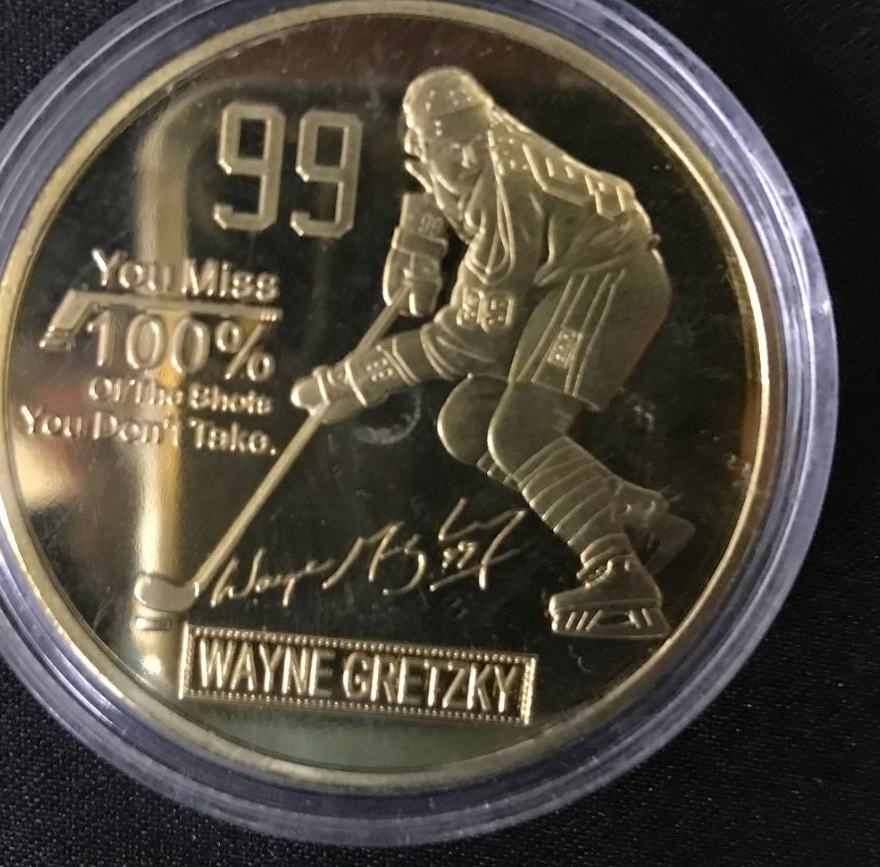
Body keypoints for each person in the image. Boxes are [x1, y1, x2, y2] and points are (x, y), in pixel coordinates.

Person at [290, 67, 692, 639]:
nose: (448, 156)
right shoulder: (467, 152)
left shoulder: (506, 191)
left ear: (478, 131)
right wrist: (419, 242)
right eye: (430, 147)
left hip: (609, 282)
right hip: (561, 284)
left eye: (457, 141)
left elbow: (470, 339)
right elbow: (432, 185)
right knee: (466, 424)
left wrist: (360, 377)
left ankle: (618, 571)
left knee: (520, 433)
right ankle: (633, 514)